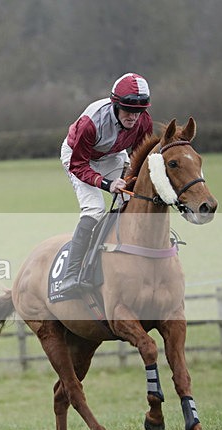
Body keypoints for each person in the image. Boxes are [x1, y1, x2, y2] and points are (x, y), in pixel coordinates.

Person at [58, 72, 154, 295]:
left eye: (139, 111)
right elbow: (78, 165)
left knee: (132, 200)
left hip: (112, 155)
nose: (133, 117)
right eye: (129, 110)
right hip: (78, 157)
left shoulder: (143, 122)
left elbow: (139, 158)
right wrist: (107, 184)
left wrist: (131, 181)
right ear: (115, 104)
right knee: (95, 210)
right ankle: (71, 275)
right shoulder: (91, 123)